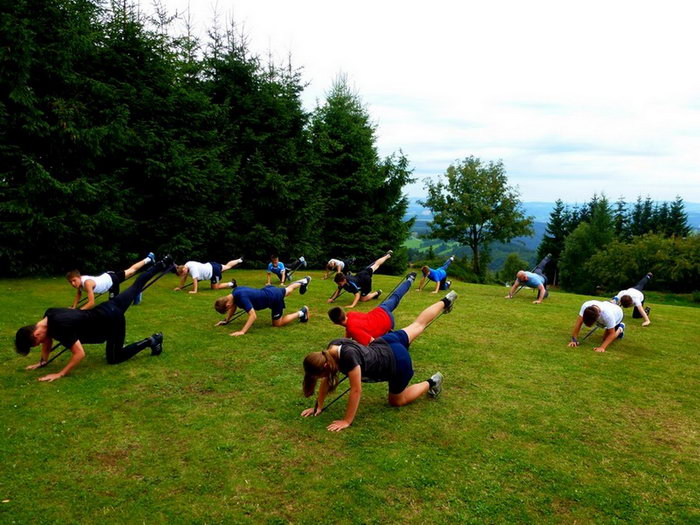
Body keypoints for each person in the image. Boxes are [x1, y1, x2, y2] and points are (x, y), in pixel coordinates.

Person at [301, 290, 458, 432]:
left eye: (320, 375)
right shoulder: (332, 348)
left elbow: (356, 391)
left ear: (326, 365)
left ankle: (432, 382)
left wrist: (347, 420)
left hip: (397, 361)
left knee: (397, 400)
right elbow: (326, 379)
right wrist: (318, 406)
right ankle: (445, 301)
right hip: (386, 341)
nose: (322, 379)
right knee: (418, 324)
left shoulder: (349, 358)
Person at [15, 256, 173, 382]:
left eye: (37, 342)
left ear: (36, 333)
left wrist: (60, 374)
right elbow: (47, 341)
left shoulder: (61, 327)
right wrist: (42, 362)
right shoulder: (48, 315)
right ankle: (162, 263)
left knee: (114, 358)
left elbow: (79, 354)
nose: (41, 344)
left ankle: (152, 341)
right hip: (108, 307)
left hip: (112, 320)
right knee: (136, 285)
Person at [328, 273, 417, 345]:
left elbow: (372, 342)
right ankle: (410, 279)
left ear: (335, 323)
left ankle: (396, 335)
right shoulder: (350, 314)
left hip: (388, 322)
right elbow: (349, 329)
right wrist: (344, 341)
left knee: (393, 339)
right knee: (395, 296)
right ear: (343, 313)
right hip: (381, 310)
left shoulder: (352, 328)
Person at [214, 276, 312, 336]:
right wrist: (226, 320)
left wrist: (242, 331)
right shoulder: (234, 292)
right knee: (288, 290)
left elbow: (253, 316)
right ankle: (304, 281)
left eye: (227, 309)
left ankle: (302, 312)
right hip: (269, 290)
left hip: (274, 298)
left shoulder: (242, 298)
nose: (229, 309)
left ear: (227, 304)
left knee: (277, 324)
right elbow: (233, 307)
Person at [66, 252, 155, 309]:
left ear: (79, 277)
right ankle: (149, 259)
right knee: (131, 271)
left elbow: (91, 303)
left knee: (113, 305)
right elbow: (79, 294)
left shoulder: (87, 283)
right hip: (108, 276)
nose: (73, 284)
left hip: (112, 281)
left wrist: (78, 311)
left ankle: (136, 293)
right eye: (70, 282)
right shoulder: (79, 283)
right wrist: (74, 307)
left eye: (74, 280)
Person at [327, 251, 392, 308]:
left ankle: (377, 293)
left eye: (339, 283)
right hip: (361, 274)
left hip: (366, 280)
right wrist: (332, 299)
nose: (339, 285)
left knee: (362, 299)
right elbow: (338, 290)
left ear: (344, 280)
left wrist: (352, 305)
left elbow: (357, 295)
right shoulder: (342, 281)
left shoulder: (351, 283)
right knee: (376, 265)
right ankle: (387, 256)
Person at [174, 257, 243, 293]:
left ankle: (232, 284)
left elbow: (195, 280)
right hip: (211, 265)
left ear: (184, 269)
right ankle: (239, 260)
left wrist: (195, 291)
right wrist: (180, 287)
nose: (183, 275)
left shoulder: (192, 269)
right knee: (227, 266)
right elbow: (184, 278)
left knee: (215, 288)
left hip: (214, 272)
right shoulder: (187, 264)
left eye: (183, 273)